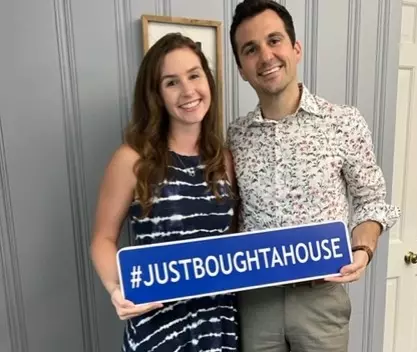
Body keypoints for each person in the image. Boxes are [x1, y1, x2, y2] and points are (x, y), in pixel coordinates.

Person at [227, 1, 401, 351]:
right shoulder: (235, 136)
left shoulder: (343, 122)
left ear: (296, 48)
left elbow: (371, 201)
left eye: (274, 40)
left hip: (321, 298)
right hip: (256, 300)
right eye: (251, 49)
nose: (266, 56)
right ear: (242, 69)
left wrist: (363, 249)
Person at [90, 32, 239, 352]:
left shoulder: (223, 159)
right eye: (171, 82)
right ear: (156, 94)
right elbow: (102, 239)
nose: (188, 91)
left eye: (194, 75)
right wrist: (116, 289)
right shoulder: (132, 159)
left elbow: (236, 242)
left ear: (208, 81)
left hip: (219, 325)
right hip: (159, 330)